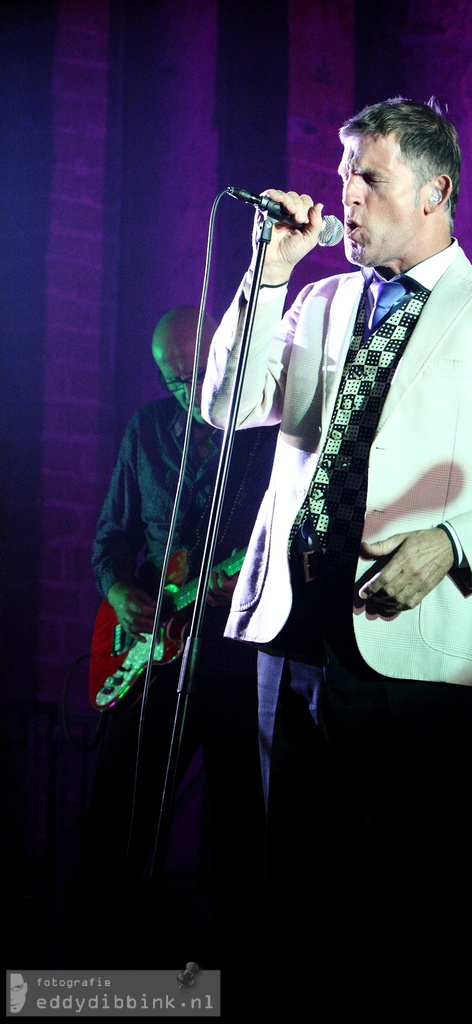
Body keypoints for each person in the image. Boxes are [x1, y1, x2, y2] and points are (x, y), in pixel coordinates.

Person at [202, 98, 472, 981]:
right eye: (344, 173)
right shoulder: (316, 299)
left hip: (415, 653)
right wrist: (268, 275)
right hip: (293, 635)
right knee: (295, 894)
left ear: (435, 191)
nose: (343, 194)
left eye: (368, 177)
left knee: (416, 903)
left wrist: (454, 545)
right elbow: (223, 404)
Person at [69, 306, 276, 967]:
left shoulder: (265, 438)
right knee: (113, 816)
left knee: (242, 823)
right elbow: (112, 536)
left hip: (235, 659)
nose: (188, 391)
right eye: (173, 380)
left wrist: (244, 585)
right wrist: (118, 591)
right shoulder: (147, 428)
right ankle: (103, 969)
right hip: (152, 654)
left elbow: (291, 545)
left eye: (197, 374)